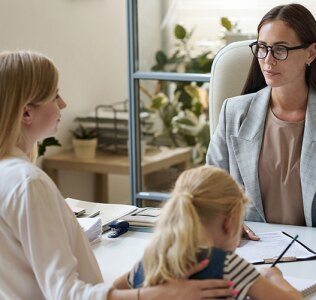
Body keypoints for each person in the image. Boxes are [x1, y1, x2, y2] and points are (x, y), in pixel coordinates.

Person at [0, 50, 234, 300]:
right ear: (26, 113)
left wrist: (135, 278)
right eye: (55, 95)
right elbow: (66, 294)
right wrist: (159, 294)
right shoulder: (28, 183)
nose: (63, 104)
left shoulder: (11, 173)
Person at [206, 3, 316, 233]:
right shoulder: (234, 112)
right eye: (262, 48)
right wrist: (227, 223)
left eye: (280, 50)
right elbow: (210, 188)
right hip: (248, 244)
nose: (268, 60)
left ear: (311, 53)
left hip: (313, 250)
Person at [114, 165, 302, 300]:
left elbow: (112, 290)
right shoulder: (228, 266)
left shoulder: (152, 259)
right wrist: (274, 278)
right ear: (229, 222)